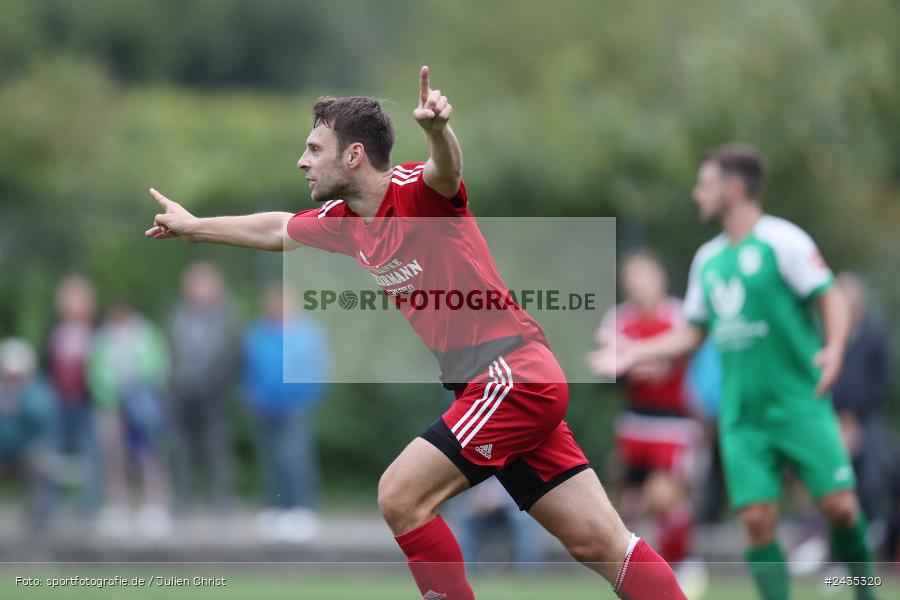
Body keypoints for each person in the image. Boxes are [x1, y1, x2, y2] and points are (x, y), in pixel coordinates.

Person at [144, 67, 686, 599]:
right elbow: (277, 228)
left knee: (400, 496)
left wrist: (438, 131)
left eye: (314, 148)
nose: (302, 160)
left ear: (353, 155)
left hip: (508, 377)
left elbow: (444, 171)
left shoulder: (414, 193)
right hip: (504, 386)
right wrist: (195, 227)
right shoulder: (347, 220)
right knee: (602, 545)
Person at [593, 144, 875, 600]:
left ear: (735, 188)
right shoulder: (708, 260)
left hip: (799, 405)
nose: (697, 193)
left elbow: (830, 295)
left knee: (840, 508)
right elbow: (692, 332)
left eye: (705, 184)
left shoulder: (782, 241)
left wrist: (836, 348)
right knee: (757, 520)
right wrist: (635, 352)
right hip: (743, 417)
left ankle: (865, 590)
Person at [591, 250, 700, 566]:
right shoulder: (618, 319)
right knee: (629, 503)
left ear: (660, 279)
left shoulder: (678, 316)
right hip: (634, 422)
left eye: (644, 277)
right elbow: (608, 369)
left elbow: (676, 361)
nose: (638, 285)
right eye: (631, 279)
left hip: (671, 423)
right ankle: (641, 565)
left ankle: (682, 560)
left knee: (661, 495)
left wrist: (645, 361)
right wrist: (625, 370)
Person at [243, 283, 330, 544]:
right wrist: (252, 397)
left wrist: (306, 398)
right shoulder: (257, 333)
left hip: (295, 406)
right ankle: (277, 507)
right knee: (270, 459)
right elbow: (248, 369)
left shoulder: (306, 334)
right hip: (265, 407)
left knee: (294, 457)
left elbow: (317, 369)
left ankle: (302, 508)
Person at [88, 302, 172, 539]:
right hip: (110, 405)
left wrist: (137, 389)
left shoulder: (149, 336)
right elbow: (94, 371)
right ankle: (118, 505)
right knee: (113, 458)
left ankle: (155, 505)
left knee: (149, 455)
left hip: (143, 405)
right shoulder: (102, 339)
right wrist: (112, 393)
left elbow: (158, 367)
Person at [168, 261, 238, 513]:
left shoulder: (226, 318)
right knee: (181, 450)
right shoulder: (177, 315)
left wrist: (220, 383)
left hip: (213, 394)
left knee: (216, 448)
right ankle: (183, 500)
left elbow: (233, 356)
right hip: (182, 393)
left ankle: (221, 501)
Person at [43, 275, 101, 512]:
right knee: (53, 451)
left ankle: (89, 501)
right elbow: (46, 363)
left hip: (87, 400)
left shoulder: (96, 330)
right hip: (58, 399)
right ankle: (51, 501)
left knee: (89, 451)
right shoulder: (55, 329)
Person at [0, 338, 58, 532]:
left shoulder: (38, 389)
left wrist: (20, 402)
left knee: (40, 462)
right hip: (3, 450)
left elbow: (41, 417)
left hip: (28, 450)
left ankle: (41, 517)